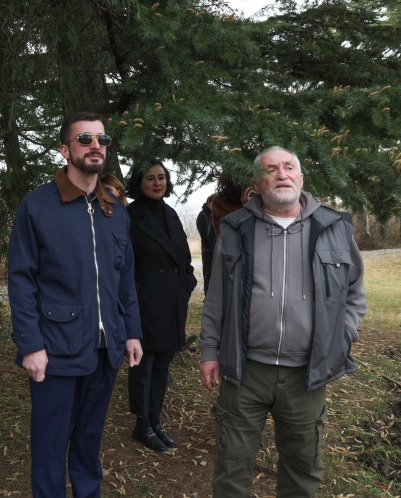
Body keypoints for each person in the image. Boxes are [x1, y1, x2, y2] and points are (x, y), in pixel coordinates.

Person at [199, 146, 367, 497]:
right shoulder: (235, 227)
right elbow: (216, 298)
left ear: (300, 177)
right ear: (257, 183)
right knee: (232, 467)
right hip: (245, 371)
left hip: (306, 375)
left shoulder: (335, 226)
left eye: (289, 167)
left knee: (302, 470)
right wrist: (209, 351)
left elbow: (354, 292)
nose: (281, 174)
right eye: (271, 169)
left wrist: (344, 336)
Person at [8, 112, 143, 497]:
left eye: (102, 139)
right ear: (65, 150)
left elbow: (125, 278)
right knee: (50, 447)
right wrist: (30, 345)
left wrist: (131, 332)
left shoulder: (115, 207)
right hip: (56, 348)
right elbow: (21, 280)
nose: (95, 146)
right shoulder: (37, 206)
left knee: (89, 442)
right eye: (85, 139)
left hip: (105, 349)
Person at [125, 161, 197, 453]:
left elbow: (183, 259)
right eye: (150, 178)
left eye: (162, 178)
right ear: (139, 183)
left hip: (172, 302)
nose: (157, 183)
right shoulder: (130, 216)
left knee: (161, 366)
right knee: (143, 368)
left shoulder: (171, 213)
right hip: (146, 303)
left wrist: (187, 284)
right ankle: (141, 425)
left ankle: (155, 421)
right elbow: (126, 265)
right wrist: (137, 297)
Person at [196, 194, 216, 293]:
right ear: (210, 203)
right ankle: (208, 297)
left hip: (215, 250)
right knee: (209, 276)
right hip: (208, 251)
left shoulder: (214, 214)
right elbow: (205, 235)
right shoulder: (203, 215)